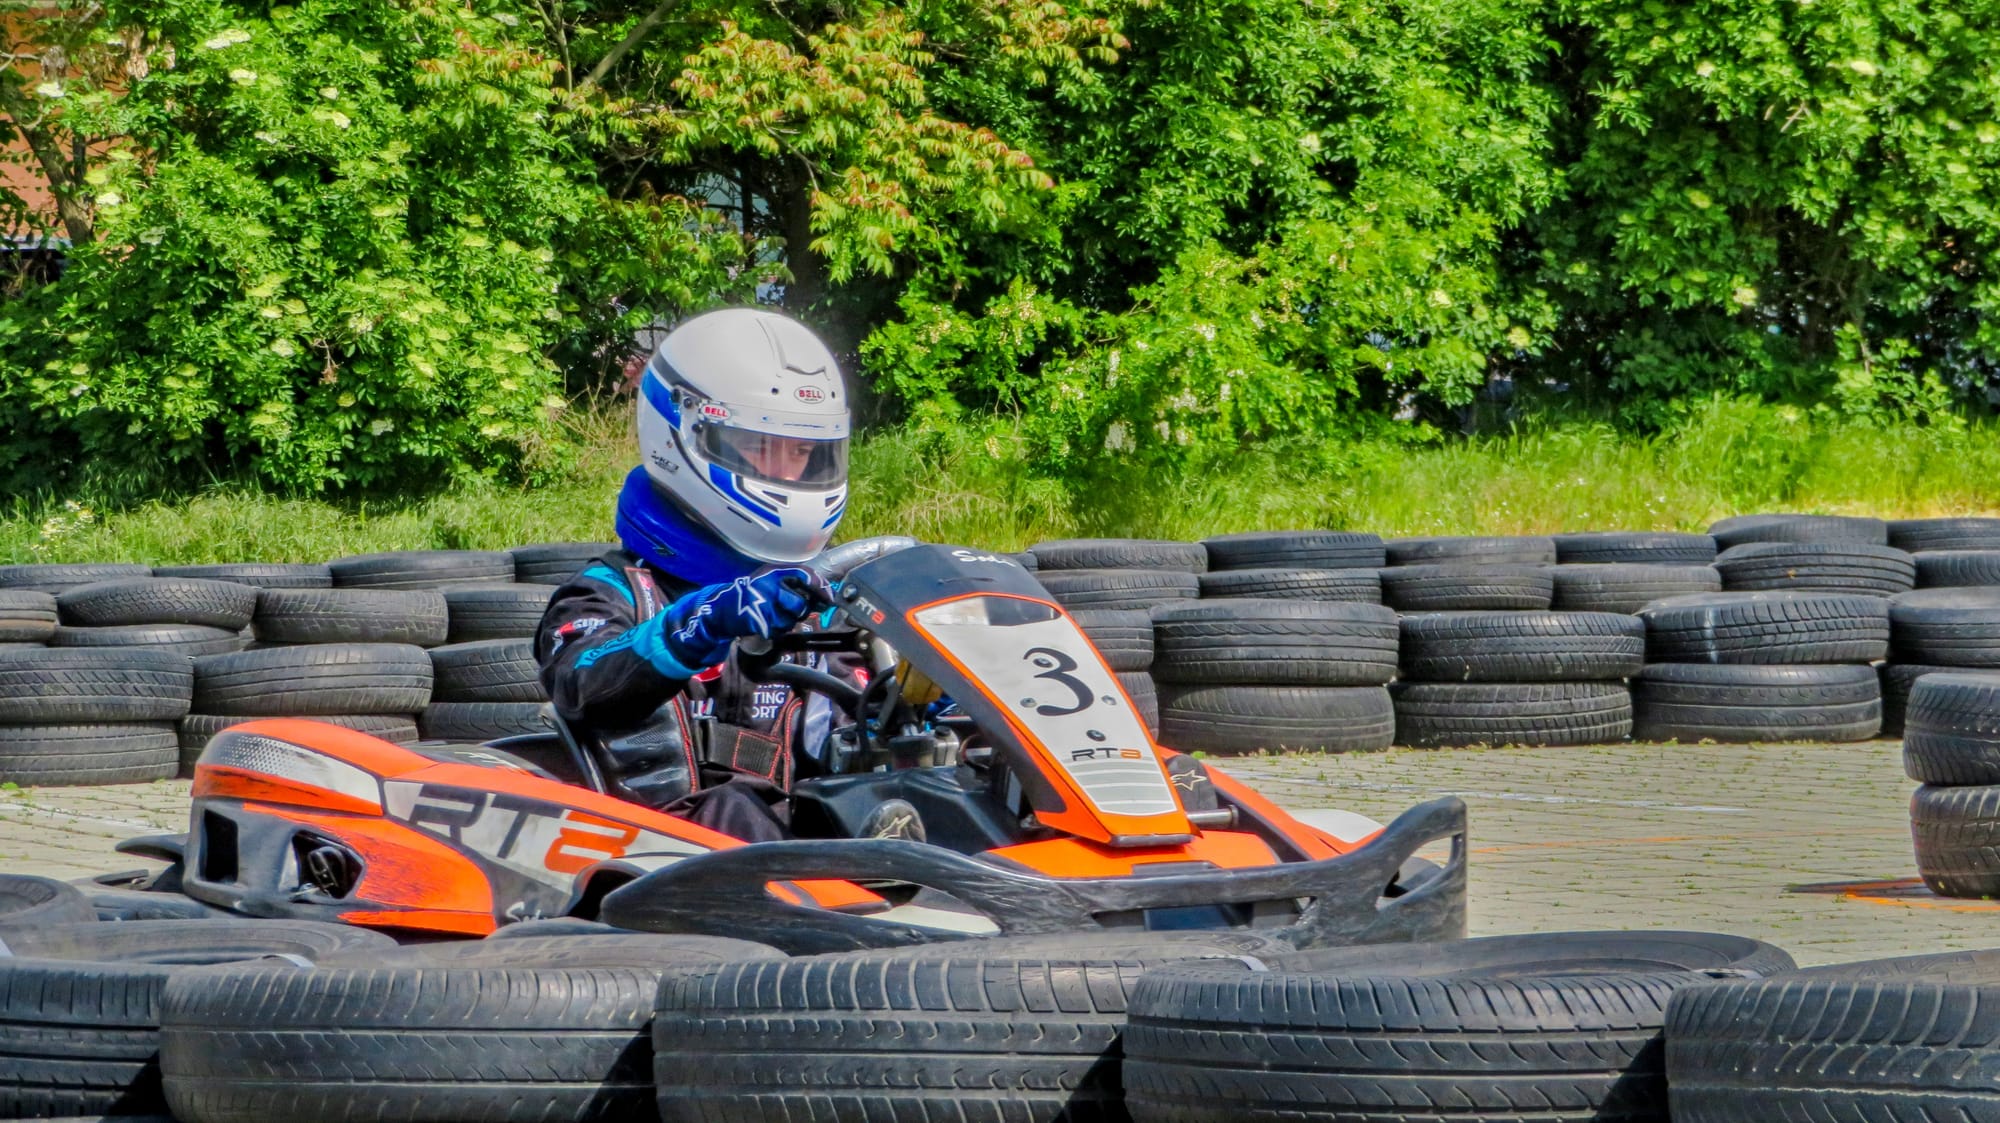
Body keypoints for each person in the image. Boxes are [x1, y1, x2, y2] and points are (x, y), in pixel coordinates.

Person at [534, 308, 915, 842]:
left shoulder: (816, 604)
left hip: (801, 834)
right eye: (762, 448)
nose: (786, 471)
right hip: (662, 844)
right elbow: (582, 683)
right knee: (736, 808)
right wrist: (703, 623)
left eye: (802, 451)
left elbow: (864, 722)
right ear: (681, 435)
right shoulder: (611, 592)